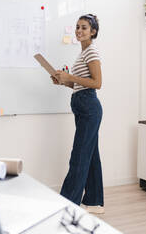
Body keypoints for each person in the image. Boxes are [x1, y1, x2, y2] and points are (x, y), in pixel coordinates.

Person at [51, 14, 104, 214]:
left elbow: (97, 83)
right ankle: (94, 201)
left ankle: (67, 204)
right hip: (83, 105)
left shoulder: (91, 52)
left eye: (84, 28)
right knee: (90, 155)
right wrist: (63, 81)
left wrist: (70, 76)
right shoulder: (82, 53)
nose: (79, 31)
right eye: (77, 27)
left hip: (89, 107)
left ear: (93, 32)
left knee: (79, 156)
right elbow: (79, 85)